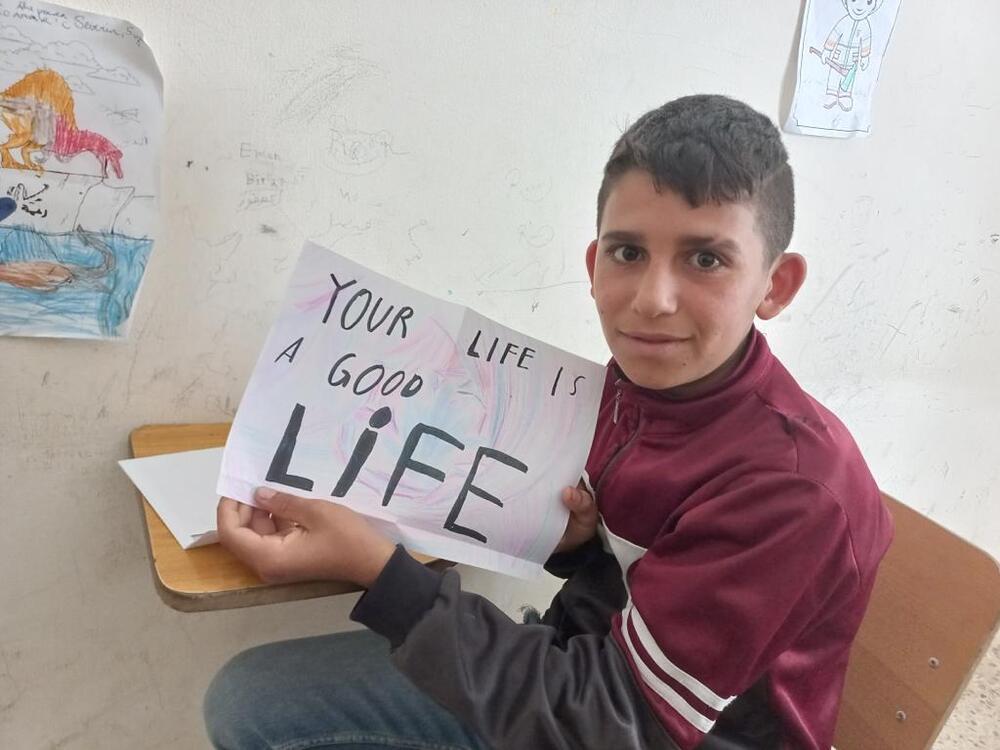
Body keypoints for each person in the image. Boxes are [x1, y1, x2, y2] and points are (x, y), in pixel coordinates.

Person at [204, 94, 893, 750]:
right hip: (586, 672)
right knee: (253, 691)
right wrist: (574, 545)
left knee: (250, 703)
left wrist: (378, 572)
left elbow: (614, 727)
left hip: (632, 725)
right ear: (594, 265)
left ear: (775, 284)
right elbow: (639, 573)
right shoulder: (636, 385)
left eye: (706, 259)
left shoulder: (791, 487)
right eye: (628, 253)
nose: (652, 300)